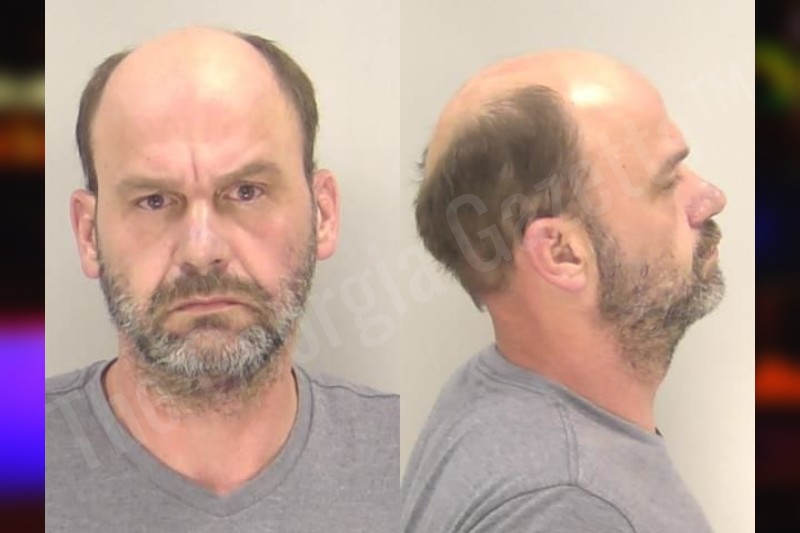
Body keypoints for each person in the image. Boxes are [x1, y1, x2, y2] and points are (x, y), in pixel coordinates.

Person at [46, 27, 398, 532]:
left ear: (323, 214)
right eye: (154, 200)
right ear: (88, 234)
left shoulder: (406, 459)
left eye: (247, 191)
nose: (201, 252)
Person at [402, 50, 726, 532]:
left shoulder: (491, 389)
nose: (711, 198)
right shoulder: (570, 507)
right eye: (667, 181)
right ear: (562, 253)